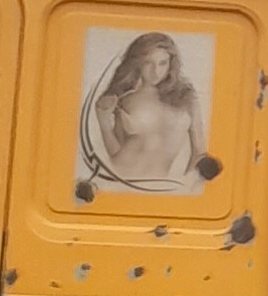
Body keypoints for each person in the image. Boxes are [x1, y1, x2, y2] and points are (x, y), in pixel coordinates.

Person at [83, 32, 204, 192]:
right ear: (137, 63)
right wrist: (104, 123)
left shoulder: (187, 99)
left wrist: (186, 188)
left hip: (165, 189)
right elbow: (116, 155)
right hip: (124, 184)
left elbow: (199, 152)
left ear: (171, 64)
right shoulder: (123, 99)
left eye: (163, 63)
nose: (156, 71)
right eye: (148, 63)